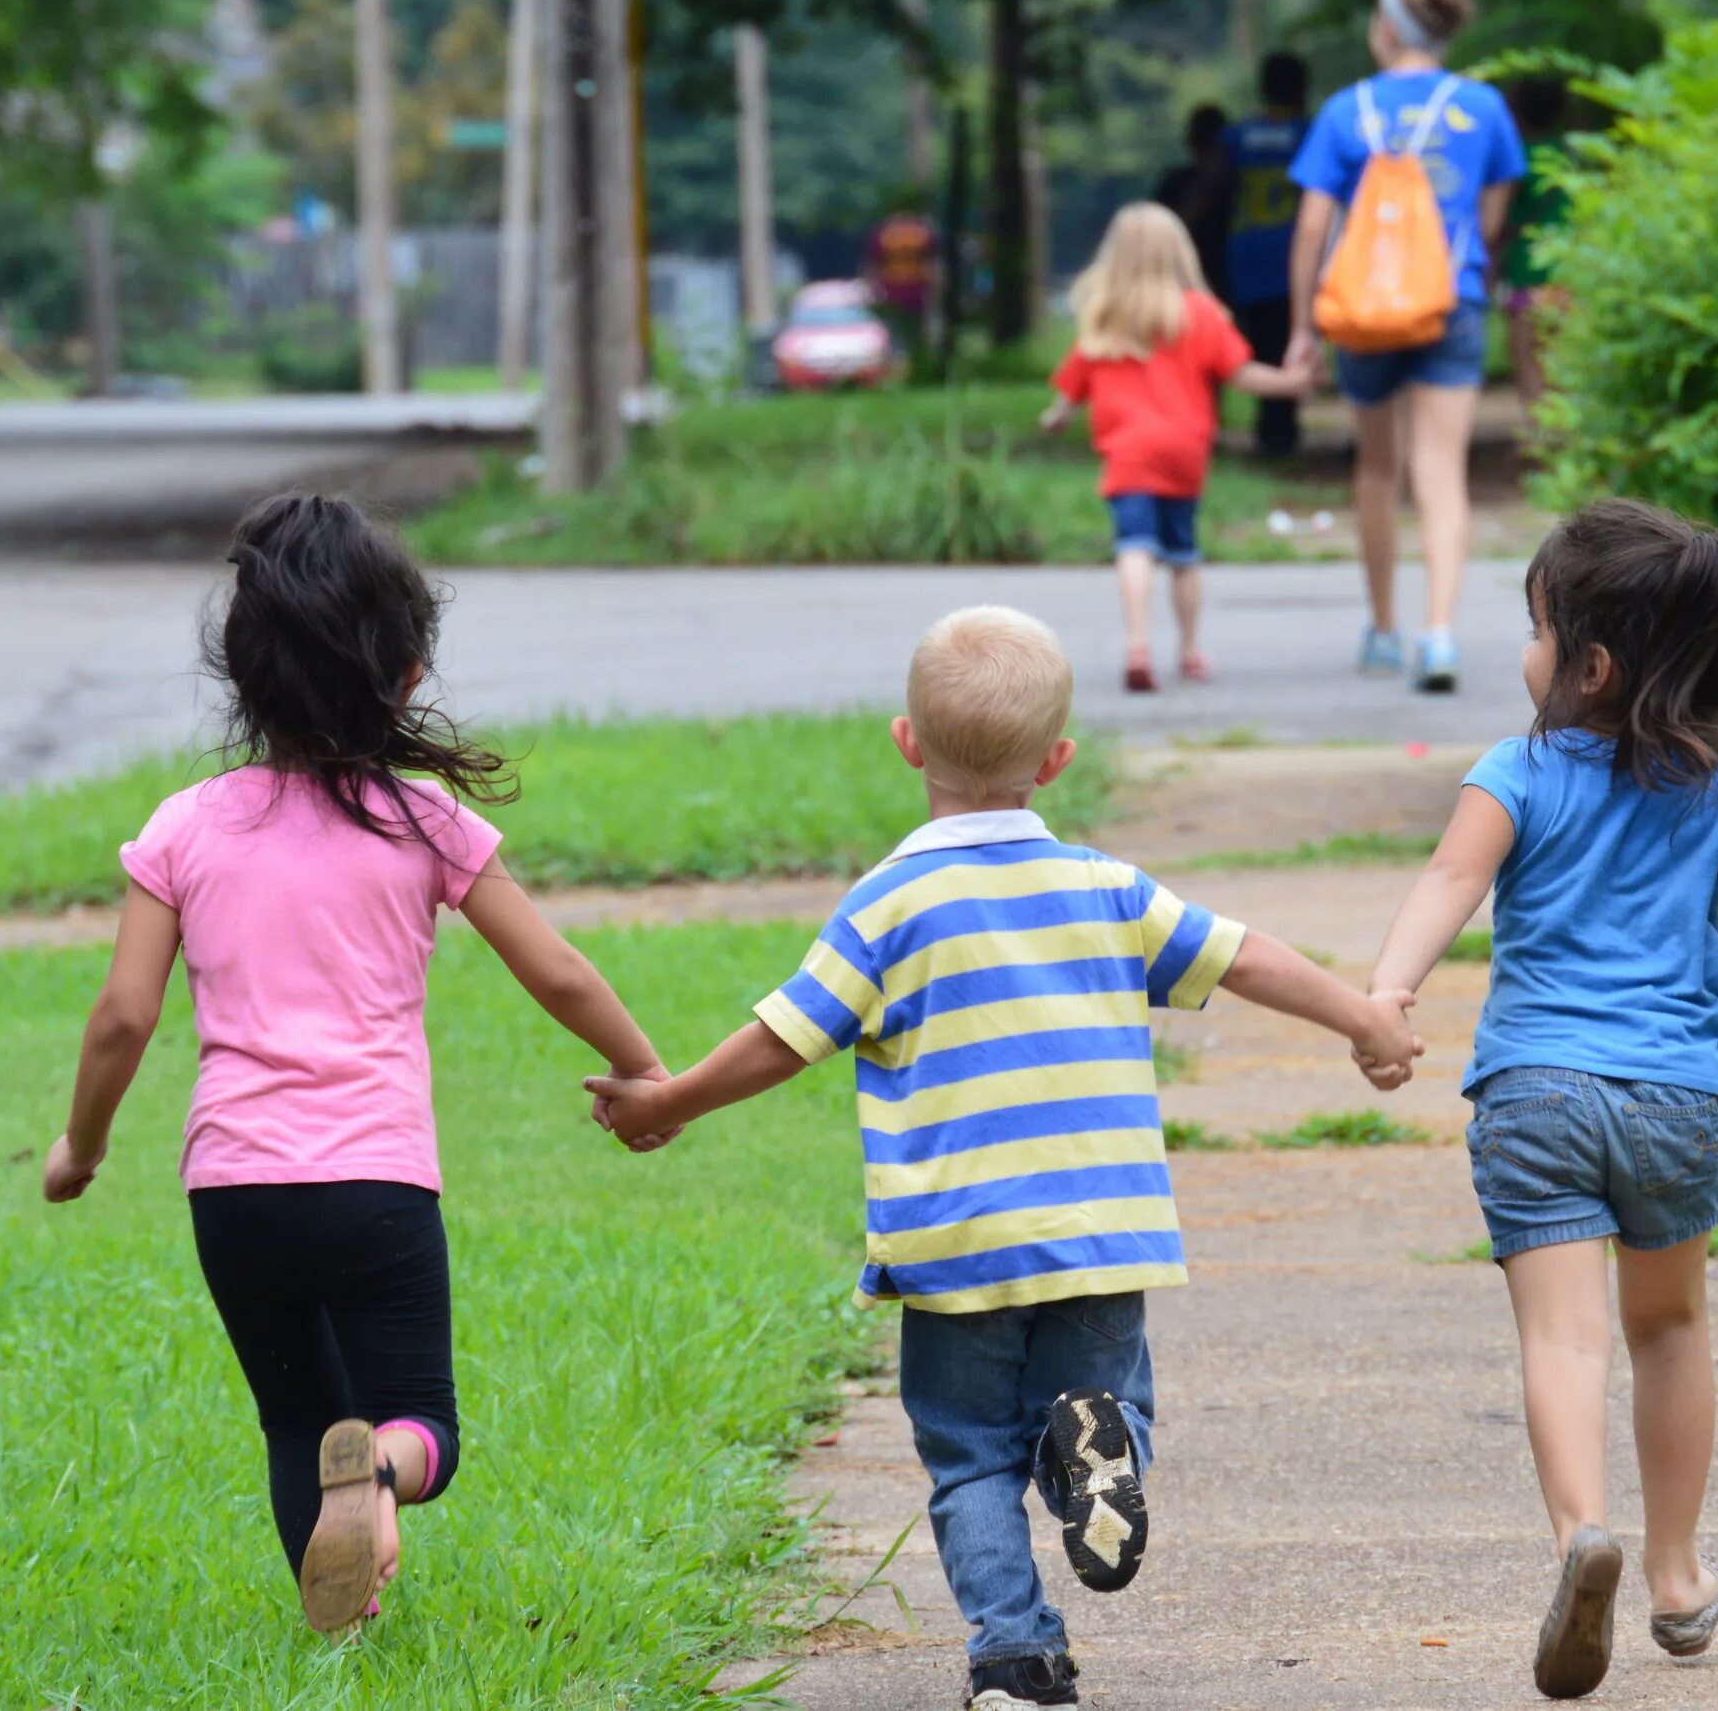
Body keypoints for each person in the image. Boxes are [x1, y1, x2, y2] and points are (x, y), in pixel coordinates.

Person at [589, 607, 1423, 1711]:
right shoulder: (1107, 889)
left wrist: (673, 1098)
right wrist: (1364, 1019)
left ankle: (1014, 1658)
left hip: (956, 1242)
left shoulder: (888, 905)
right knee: (1098, 1402)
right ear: (1059, 760)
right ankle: (1103, 1446)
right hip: (1097, 1228)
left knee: (971, 1453)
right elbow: (1246, 959)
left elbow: (788, 1035)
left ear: (907, 743)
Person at [40, 492, 673, 1634]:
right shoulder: (422, 822)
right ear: (406, 675)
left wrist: (80, 1147)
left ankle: (341, 1634)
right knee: (416, 1422)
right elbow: (560, 971)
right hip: (378, 1180)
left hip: (235, 1187)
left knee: (298, 1421)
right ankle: (379, 1476)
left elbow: (122, 1016)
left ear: (242, 674)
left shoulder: (183, 826)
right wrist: (647, 1074)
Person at [1363, 500, 1718, 1700]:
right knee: (1669, 1326)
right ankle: (1679, 1574)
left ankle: (1575, 1538)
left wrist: (1390, 994)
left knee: (1562, 1332)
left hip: (1536, 1089)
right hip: (1680, 1097)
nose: (1525, 655)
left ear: (1588, 666)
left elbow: (1452, 877)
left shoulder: (1518, 769)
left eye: (1538, 632)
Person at [1284, 0, 1528, 694]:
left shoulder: (1344, 110)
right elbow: (1490, 218)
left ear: (1387, 31)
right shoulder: (1483, 106)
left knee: (1377, 465)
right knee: (1441, 469)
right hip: (1449, 301)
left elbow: (1311, 227)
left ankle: (1384, 629)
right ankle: (1440, 632)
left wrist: (1303, 326)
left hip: (1362, 312)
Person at [1038, 203, 1305, 693]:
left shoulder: (1105, 319)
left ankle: (1138, 644)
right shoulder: (1200, 314)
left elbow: (1070, 390)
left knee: (1134, 547)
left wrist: (1055, 418)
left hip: (1129, 453)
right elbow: (1241, 373)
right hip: (1185, 452)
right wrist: (1291, 383)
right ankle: (1188, 651)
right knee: (1183, 554)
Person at [1220, 51, 1313, 459]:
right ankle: (1282, 424)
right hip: (1294, 254)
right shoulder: (1309, 135)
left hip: (1249, 255)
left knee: (1260, 342)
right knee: (1289, 339)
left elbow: (1214, 188)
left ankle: (1270, 423)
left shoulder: (1238, 136)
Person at [1497, 76, 1573, 417]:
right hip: (1570, 276)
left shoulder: (1517, 159)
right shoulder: (1572, 157)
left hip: (1527, 276)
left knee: (1528, 363)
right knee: (1563, 366)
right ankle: (1563, 442)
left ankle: (1539, 438)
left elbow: (1500, 221)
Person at [1152, 102, 1235, 299]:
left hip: (1226, 277)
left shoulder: (1237, 184)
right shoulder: (1176, 184)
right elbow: (1168, 232)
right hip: (1192, 280)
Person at [866, 204, 941, 359]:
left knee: (897, 335)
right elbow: (933, 264)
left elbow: (873, 265)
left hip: (891, 289)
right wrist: (937, 289)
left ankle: (902, 364)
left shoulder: (884, 233)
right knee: (919, 334)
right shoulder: (923, 232)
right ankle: (919, 362)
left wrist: (873, 290)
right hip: (919, 289)